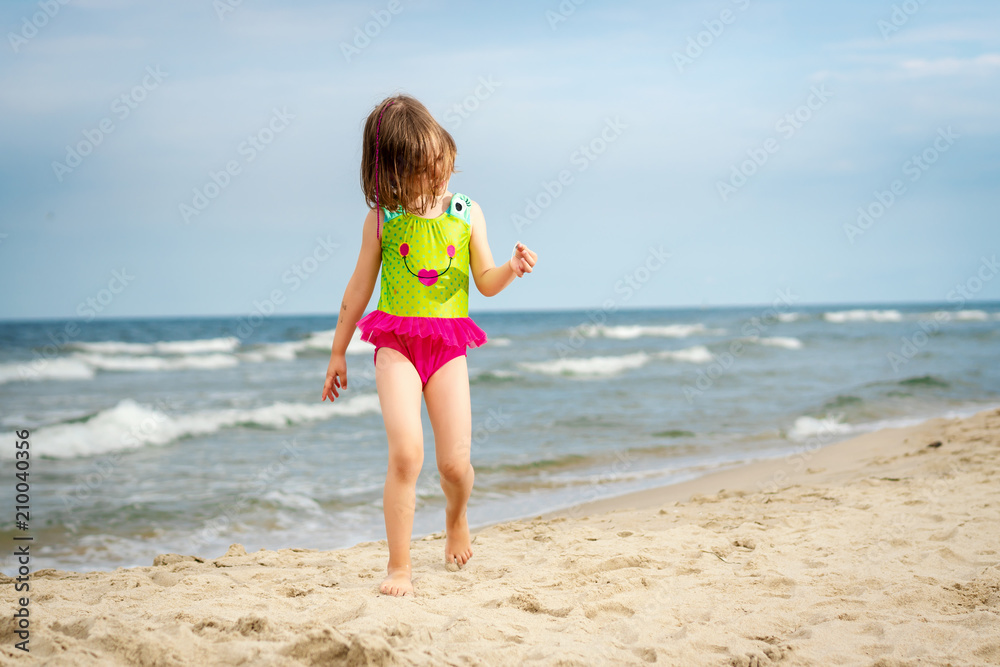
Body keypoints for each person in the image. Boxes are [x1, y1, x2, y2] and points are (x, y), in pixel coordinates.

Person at [321, 94, 538, 597]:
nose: (441, 177)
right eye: (426, 169)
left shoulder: (465, 212)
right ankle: (399, 567)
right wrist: (337, 351)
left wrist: (511, 267)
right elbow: (358, 289)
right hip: (395, 344)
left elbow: (483, 280)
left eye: (444, 163)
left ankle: (456, 516)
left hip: (447, 347)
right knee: (406, 455)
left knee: (454, 465)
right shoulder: (382, 220)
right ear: (393, 174)